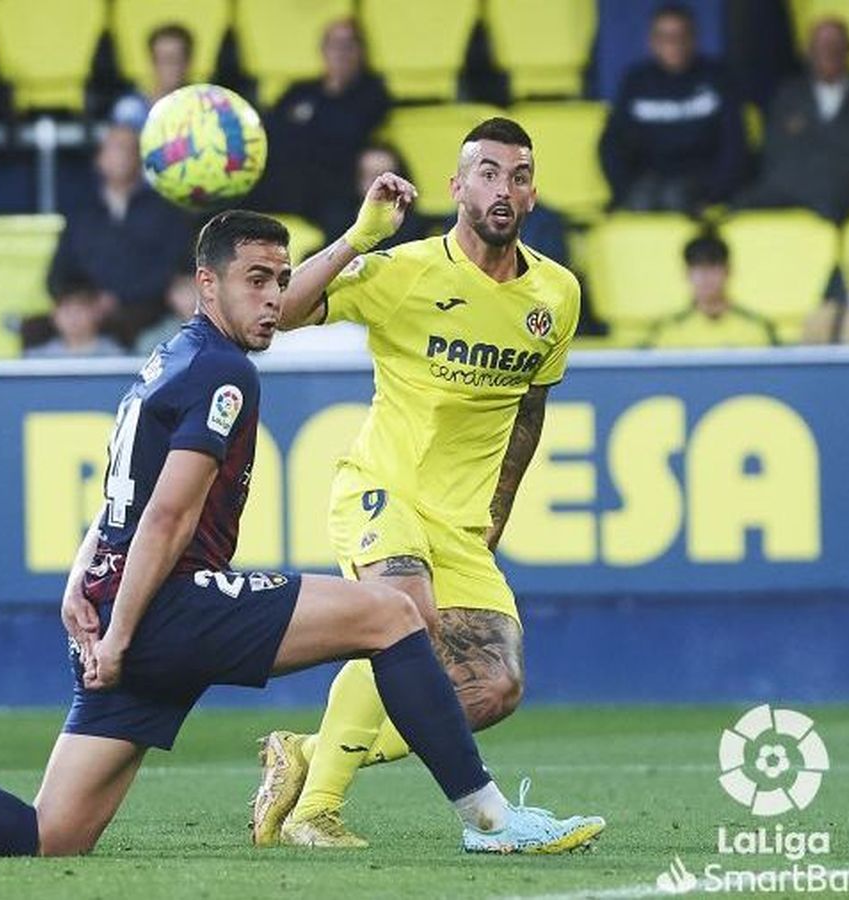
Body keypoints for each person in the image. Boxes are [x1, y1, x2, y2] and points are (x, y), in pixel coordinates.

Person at [0, 211, 604, 862]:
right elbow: (167, 513)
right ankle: (489, 818)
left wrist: (81, 584)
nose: (274, 298)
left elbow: (119, 490)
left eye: (282, 280)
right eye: (255, 280)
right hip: (160, 606)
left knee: (51, 835)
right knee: (390, 615)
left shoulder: (172, 356)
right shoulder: (226, 373)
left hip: (114, 596)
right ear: (208, 283)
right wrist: (126, 634)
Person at [250, 117, 583, 848]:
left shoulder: (555, 295)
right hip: (383, 491)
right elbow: (281, 313)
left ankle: (306, 753)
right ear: (457, 187)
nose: (504, 187)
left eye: (519, 175)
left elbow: (530, 410)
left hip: (461, 522)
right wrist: (357, 238)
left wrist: (497, 509)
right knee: (407, 619)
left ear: (532, 194)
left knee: (493, 686)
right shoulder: (403, 272)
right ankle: (316, 813)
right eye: (488, 173)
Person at [45, 125, 193, 346]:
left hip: (147, 307)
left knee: (131, 324)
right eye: (115, 148)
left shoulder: (166, 210)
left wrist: (120, 297)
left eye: (128, 149)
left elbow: (174, 268)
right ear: (99, 158)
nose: (122, 156)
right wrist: (87, 301)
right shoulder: (81, 212)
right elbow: (59, 273)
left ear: (140, 158)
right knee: (33, 329)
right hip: (91, 307)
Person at [733, 17, 849, 222]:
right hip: (788, 186)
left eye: (836, 45)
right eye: (821, 46)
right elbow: (774, 152)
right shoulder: (787, 95)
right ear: (809, 52)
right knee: (738, 207)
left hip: (842, 191)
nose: (828, 52)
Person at [598, 3, 747, 213]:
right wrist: (623, 190)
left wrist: (715, 194)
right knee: (641, 202)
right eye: (664, 37)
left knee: (674, 198)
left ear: (693, 39)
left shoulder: (717, 79)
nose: (673, 43)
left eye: (680, 35)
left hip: (700, 185)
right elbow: (612, 145)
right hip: (647, 184)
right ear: (652, 42)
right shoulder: (636, 82)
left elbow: (734, 147)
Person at [255, 19, 390, 224]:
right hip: (283, 183)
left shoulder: (372, 94)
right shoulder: (299, 91)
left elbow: (347, 134)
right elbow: (269, 128)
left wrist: (303, 126)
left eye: (348, 45)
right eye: (333, 45)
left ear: (361, 51)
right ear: (323, 50)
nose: (340, 53)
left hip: (334, 190)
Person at [644, 234, 776, 348]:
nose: (705, 277)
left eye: (713, 267)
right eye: (698, 268)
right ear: (686, 274)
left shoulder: (756, 327)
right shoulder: (668, 329)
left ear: (728, 271)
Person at [111, 23, 192, 131]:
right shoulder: (131, 108)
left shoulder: (207, 108)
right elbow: (119, 144)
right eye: (165, 59)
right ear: (152, 62)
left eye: (176, 58)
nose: (171, 66)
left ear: (188, 62)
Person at [24, 280, 128, 359]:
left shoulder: (115, 355)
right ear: (54, 315)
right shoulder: (38, 358)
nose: (73, 317)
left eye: (80, 310)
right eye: (67, 310)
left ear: (96, 313)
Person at [132, 271, 200, 353]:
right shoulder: (154, 338)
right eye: (184, 291)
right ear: (170, 296)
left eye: (197, 290)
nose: (191, 297)